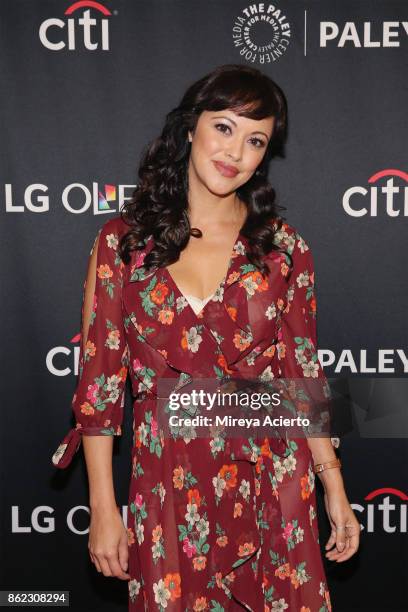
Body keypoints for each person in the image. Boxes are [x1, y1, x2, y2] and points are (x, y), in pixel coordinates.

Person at [52, 64, 360, 611]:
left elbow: (302, 373)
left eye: (255, 139)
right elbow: (100, 386)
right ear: (191, 127)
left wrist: (332, 484)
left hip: (274, 475)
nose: (235, 152)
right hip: (168, 483)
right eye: (224, 127)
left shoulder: (283, 249)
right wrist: (104, 507)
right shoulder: (123, 243)